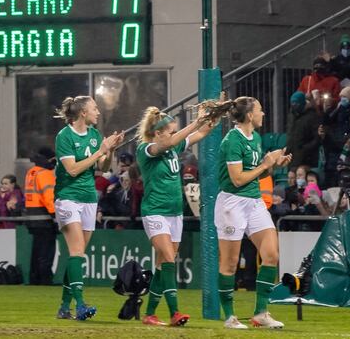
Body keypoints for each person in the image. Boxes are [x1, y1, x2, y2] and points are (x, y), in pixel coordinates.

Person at [136, 105, 216, 327]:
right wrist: (196, 122)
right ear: (158, 133)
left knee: (163, 265)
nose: (173, 135)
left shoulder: (172, 147)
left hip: (174, 212)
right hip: (155, 211)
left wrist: (212, 118)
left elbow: (200, 134)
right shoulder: (146, 149)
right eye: (170, 131)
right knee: (169, 259)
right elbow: (171, 141)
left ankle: (150, 314)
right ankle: (175, 312)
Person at [215, 97, 292, 329]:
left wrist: (273, 166)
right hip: (232, 203)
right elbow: (237, 179)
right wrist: (265, 164)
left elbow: (253, 175)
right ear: (249, 115)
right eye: (260, 109)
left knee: (271, 254)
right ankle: (229, 317)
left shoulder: (255, 138)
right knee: (229, 263)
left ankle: (260, 313)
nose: (263, 113)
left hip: (253, 201)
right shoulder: (232, 141)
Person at [52, 96, 123, 321]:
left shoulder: (94, 135)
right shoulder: (65, 136)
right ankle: (80, 305)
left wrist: (110, 150)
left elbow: (102, 168)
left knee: (78, 254)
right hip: (68, 198)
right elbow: (72, 170)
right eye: (94, 108)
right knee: (76, 252)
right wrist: (99, 151)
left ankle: (64, 306)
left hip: (89, 198)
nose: (98, 112)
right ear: (83, 112)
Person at [24, 147, 57, 285]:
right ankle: (45, 280)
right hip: (45, 218)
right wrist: (56, 215)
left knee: (37, 251)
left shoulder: (31, 172)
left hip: (32, 218)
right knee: (46, 252)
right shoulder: (46, 174)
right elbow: (49, 197)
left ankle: (35, 278)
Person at [285, 91, 319, 169]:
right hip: (292, 157)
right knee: (292, 179)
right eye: (292, 103)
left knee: (307, 180)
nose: (294, 105)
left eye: (296, 103)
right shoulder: (291, 116)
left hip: (307, 159)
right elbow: (290, 134)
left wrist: (304, 149)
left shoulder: (312, 116)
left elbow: (317, 138)